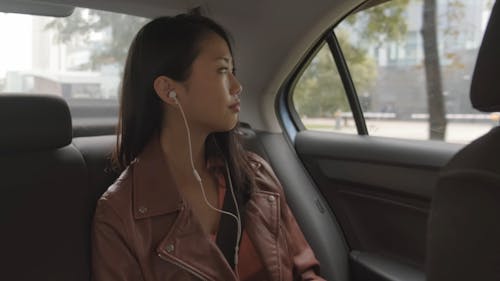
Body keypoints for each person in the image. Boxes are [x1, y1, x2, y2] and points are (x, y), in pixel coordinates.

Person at [91, 13, 325, 281]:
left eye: (233, 71)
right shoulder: (119, 215)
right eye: (222, 70)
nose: (237, 86)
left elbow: (304, 271)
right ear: (169, 90)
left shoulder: (257, 174)